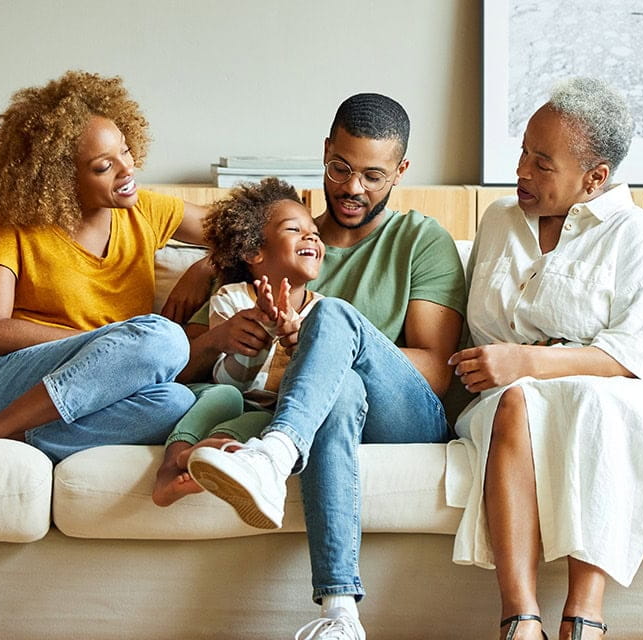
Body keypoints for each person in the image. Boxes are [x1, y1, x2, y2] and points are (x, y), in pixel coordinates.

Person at [176, 93, 467, 639]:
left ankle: (275, 455)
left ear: (401, 172)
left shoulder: (420, 240)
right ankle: (340, 616)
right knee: (339, 391)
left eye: (374, 176)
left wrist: (323, 344)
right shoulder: (276, 245)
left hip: (406, 418)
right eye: (341, 168)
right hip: (337, 413)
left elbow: (434, 369)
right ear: (326, 152)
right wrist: (212, 266)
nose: (353, 188)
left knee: (331, 317)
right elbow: (184, 359)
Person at [447, 78, 643, 640]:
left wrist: (532, 360)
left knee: (591, 400)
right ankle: (520, 618)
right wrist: (531, 362)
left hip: (619, 394)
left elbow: (640, 353)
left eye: (542, 164)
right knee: (515, 401)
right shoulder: (498, 220)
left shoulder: (636, 234)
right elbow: (487, 336)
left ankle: (584, 616)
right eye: (522, 152)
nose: (521, 171)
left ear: (595, 178)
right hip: (511, 396)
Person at [0, 71, 213, 464]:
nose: (127, 169)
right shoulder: (17, 224)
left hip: (104, 389)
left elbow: (248, 233)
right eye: (103, 166)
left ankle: (22, 435)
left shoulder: (147, 210)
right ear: (61, 179)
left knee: (177, 401)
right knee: (165, 340)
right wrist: (107, 342)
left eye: (126, 152)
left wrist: (208, 263)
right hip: (16, 380)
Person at [151, 178, 325, 507]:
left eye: (314, 231)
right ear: (252, 251)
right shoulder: (231, 300)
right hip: (222, 393)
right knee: (225, 396)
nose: (311, 236)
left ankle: (208, 452)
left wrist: (296, 343)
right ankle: (168, 469)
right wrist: (261, 333)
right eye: (294, 230)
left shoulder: (322, 315)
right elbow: (231, 380)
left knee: (264, 420)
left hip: (266, 408)